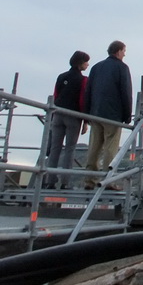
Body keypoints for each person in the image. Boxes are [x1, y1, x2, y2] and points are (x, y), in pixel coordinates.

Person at [83, 41, 133, 188]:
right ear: (118, 51)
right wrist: (127, 115)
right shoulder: (122, 68)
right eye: (124, 50)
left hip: (95, 113)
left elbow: (88, 91)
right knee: (111, 147)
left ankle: (89, 180)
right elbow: (126, 92)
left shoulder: (96, 67)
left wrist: (87, 114)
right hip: (113, 114)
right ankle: (107, 180)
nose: (124, 53)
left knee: (94, 146)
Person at [44, 51, 90, 189]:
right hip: (73, 116)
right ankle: (65, 182)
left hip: (57, 114)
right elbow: (82, 100)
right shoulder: (83, 80)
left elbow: (56, 95)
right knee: (70, 148)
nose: (88, 64)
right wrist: (85, 120)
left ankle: (50, 181)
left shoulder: (61, 76)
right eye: (86, 61)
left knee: (55, 148)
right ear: (80, 63)